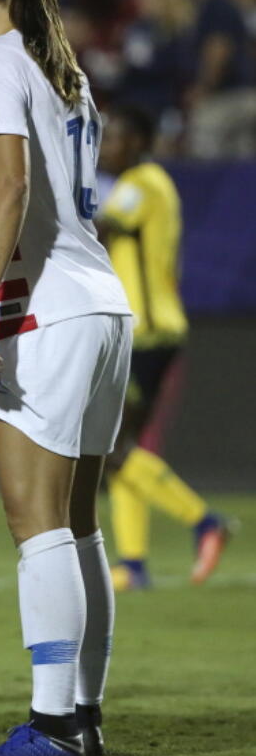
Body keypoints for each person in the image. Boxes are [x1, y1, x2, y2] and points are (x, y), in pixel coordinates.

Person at [0, 0, 131, 756]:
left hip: (46, 308)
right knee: (78, 523)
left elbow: (11, 186)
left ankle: (52, 721)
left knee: (35, 522)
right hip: (101, 303)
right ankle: (83, 714)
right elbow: (44, 202)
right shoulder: (64, 69)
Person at [96, 104, 233, 591]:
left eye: (114, 138)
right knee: (117, 450)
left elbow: (101, 231)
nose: (106, 146)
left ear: (138, 143)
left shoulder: (143, 182)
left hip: (147, 334)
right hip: (145, 332)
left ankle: (204, 520)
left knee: (112, 448)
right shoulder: (146, 185)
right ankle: (133, 565)